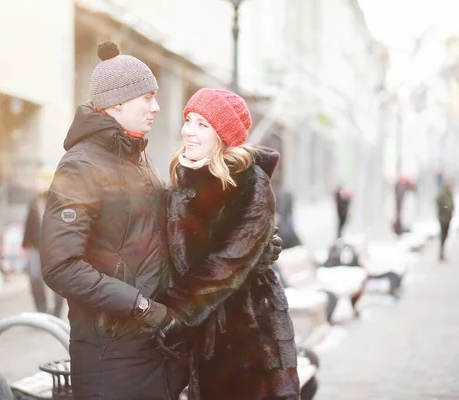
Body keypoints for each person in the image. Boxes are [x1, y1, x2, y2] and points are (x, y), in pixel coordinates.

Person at [40, 43, 281, 400]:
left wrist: (248, 246)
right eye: (148, 98)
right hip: (113, 353)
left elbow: (167, 232)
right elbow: (60, 266)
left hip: (154, 346)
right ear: (118, 102)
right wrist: (140, 306)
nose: (156, 107)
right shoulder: (81, 165)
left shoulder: (136, 156)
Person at [154, 88, 300, 399]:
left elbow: (224, 264)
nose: (189, 132)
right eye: (189, 120)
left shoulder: (249, 183)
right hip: (204, 336)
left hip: (247, 338)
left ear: (223, 135)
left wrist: (169, 314)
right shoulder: (183, 179)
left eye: (203, 125)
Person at [22, 168, 63, 317]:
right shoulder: (33, 201)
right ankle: (41, 311)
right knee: (34, 277)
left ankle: (57, 314)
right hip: (35, 246)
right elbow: (28, 225)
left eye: (43, 181)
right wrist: (24, 247)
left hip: (55, 247)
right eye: (38, 181)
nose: (40, 184)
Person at [436, 181, 455, 261]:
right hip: (443, 217)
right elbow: (440, 203)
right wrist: (447, 207)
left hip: (448, 217)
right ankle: (441, 253)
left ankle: (442, 252)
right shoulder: (442, 193)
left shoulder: (449, 193)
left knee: (445, 235)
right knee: (443, 235)